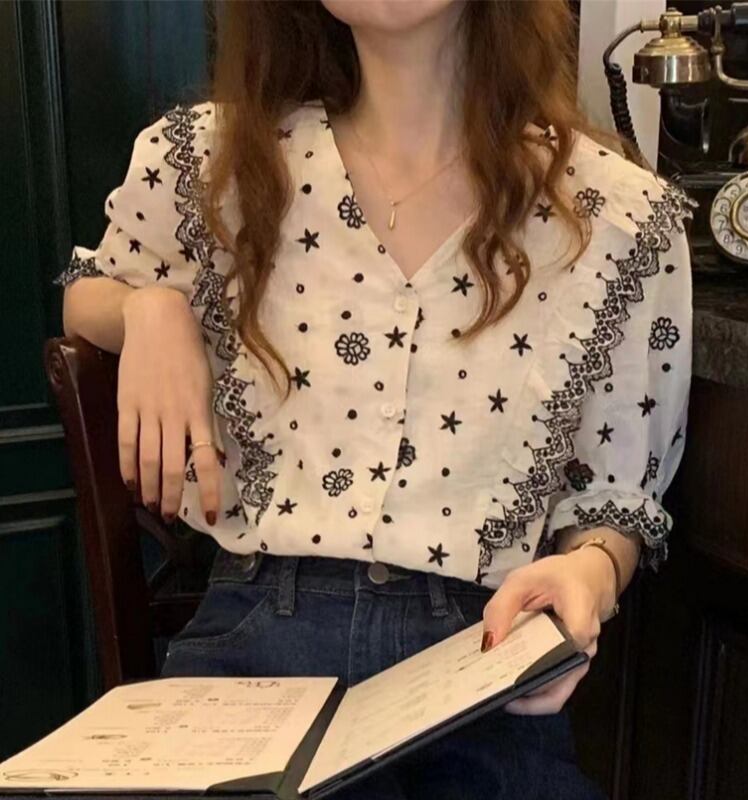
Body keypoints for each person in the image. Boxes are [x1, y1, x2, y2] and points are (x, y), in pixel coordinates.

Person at [54, 2, 696, 798]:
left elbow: (617, 498)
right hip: (255, 651)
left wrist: (590, 575)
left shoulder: (614, 213)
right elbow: (87, 292)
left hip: (479, 662)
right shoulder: (210, 162)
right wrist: (149, 310)